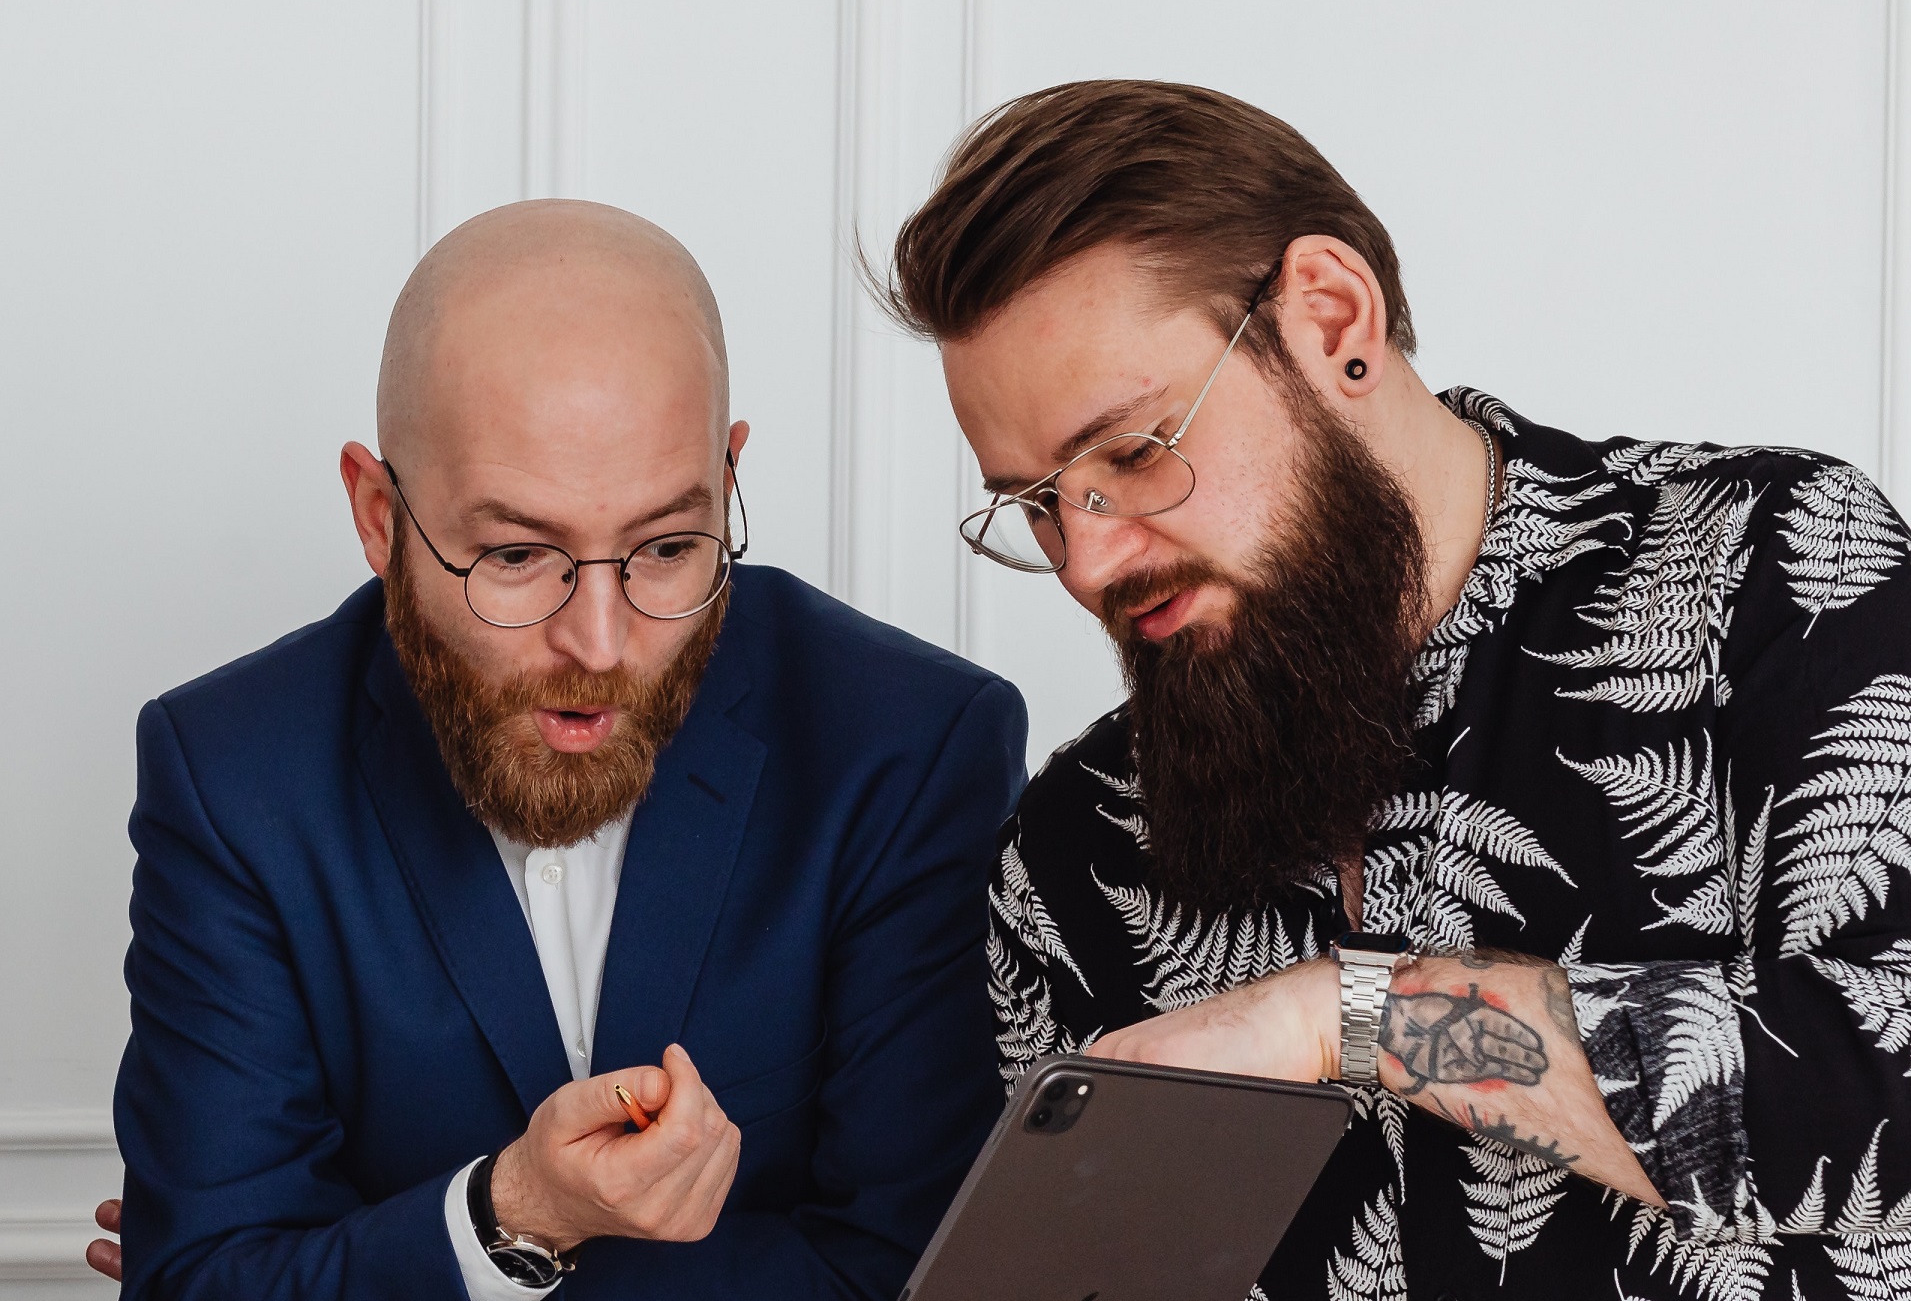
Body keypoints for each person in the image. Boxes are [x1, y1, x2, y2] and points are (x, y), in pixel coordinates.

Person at [882, 79, 1911, 1299]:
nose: (1089, 558)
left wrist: (1347, 1016)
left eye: (1135, 451)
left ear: (1331, 319)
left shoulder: (1774, 566)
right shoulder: (1069, 858)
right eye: (1037, 502)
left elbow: (1879, 1094)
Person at [94, 199, 1027, 1300]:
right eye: (519, 554)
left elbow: (910, 1278)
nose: (599, 641)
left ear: (727, 485)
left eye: (668, 546)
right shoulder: (231, 774)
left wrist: (375, 1259)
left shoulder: (912, 748)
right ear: (379, 517)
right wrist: (511, 1215)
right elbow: (205, 1283)